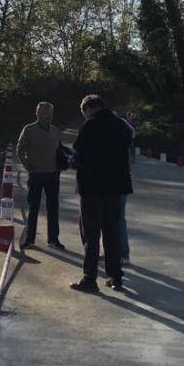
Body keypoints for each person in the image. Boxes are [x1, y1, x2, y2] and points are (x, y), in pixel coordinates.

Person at [70, 94, 133, 292]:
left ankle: (90, 278)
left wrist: (68, 160)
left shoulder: (90, 126)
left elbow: (78, 155)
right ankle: (116, 277)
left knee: (90, 233)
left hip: (92, 188)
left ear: (89, 108)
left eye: (84, 113)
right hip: (115, 188)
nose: (85, 117)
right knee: (112, 233)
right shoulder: (122, 126)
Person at [16, 101, 66, 250]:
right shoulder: (29, 129)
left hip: (53, 175)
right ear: (37, 114)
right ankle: (30, 239)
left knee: (53, 208)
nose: (47, 116)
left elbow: (61, 150)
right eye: (44, 113)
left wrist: (63, 164)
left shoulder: (56, 130)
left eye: (50, 113)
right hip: (36, 175)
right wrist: (28, 168)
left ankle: (53, 239)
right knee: (33, 208)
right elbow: (19, 150)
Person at [117, 113, 135, 265]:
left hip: (118, 185)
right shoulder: (125, 133)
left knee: (117, 219)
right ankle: (117, 252)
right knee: (114, 219)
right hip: (121, 184)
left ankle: (123, 253)